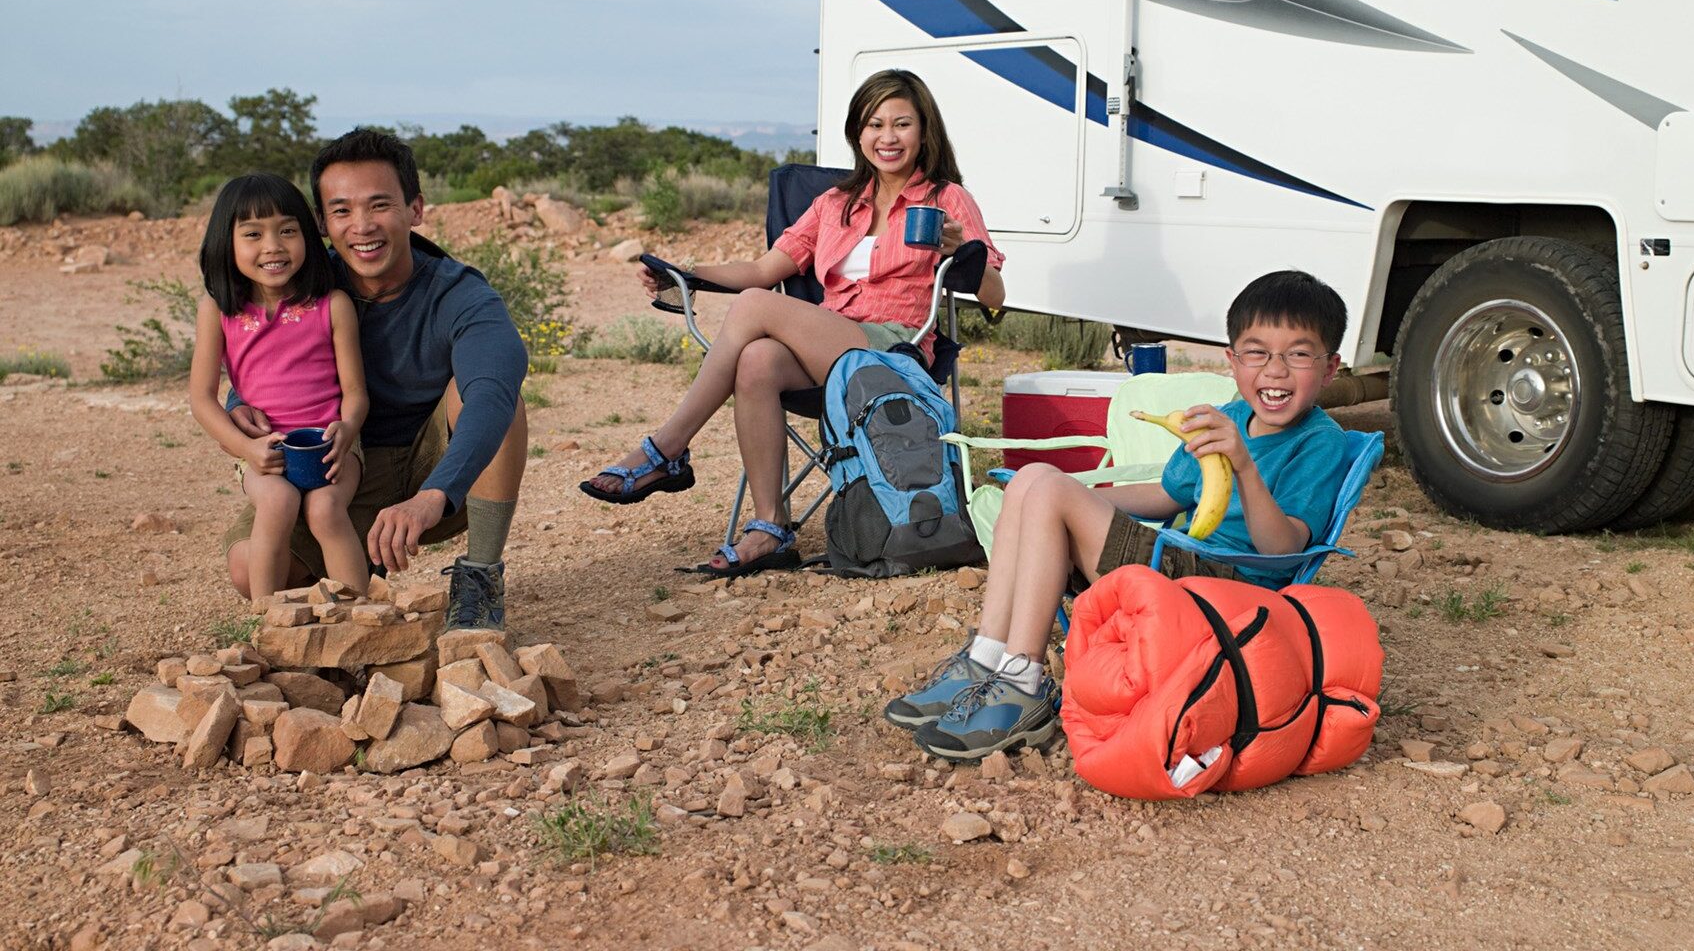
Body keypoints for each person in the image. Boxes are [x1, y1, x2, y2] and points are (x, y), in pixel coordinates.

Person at [885, 270, 1353, 761]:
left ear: (1329, 367)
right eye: (1257, 352)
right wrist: (1075, 497)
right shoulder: (1229, 417)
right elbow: (1167, 495)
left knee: (1045, 486)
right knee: (1033, 481)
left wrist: (1245, 468)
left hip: (1229, 593)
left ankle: (1022, 685)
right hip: (1182, 564)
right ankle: (985, 660)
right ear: (1233, 361)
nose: (1275, 370)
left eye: (1298, 353)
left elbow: (1285, 549)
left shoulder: (1319, 442)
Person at [580, 68, 1006, 576]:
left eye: (901, 124)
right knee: (757, 360)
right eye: (874, 124)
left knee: (757, 306)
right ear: (857, 132)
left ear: (923, 131)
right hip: (832, 348)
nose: (887, 137)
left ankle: (666, 450)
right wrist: (685, 274)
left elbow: (996, 295)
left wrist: (966, 254)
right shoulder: (834, 205)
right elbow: (763, 269)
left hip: (896, 350)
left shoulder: (946, 198)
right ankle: (770, 528)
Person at [219, 130, 529, 631]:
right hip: (336, 466)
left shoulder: (460, 294)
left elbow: (494, 389)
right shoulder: (301, 290)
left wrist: (434, 495)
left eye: (380, 205)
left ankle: (479, 580)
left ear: (415, 209)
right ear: (321, 222)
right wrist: (238, 400)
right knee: (246, 564)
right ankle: (327, 618)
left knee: (496, 397)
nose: (362, 226)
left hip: (437, 470)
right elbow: (256, 355)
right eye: (341, 210)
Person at [189, 173, 370, 601]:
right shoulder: (217, 310)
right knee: (276, 503)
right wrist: (244, 447)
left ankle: (362, 621)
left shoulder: (333, 306)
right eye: (253, 234)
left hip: (332, 445)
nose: (273, 246)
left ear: (308, 236)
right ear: (226, 243)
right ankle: (268, 625)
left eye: (288, 231)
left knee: (326, 509)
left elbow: (356, 392)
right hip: (264, 450)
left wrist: (347, 430)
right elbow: (201, 399)